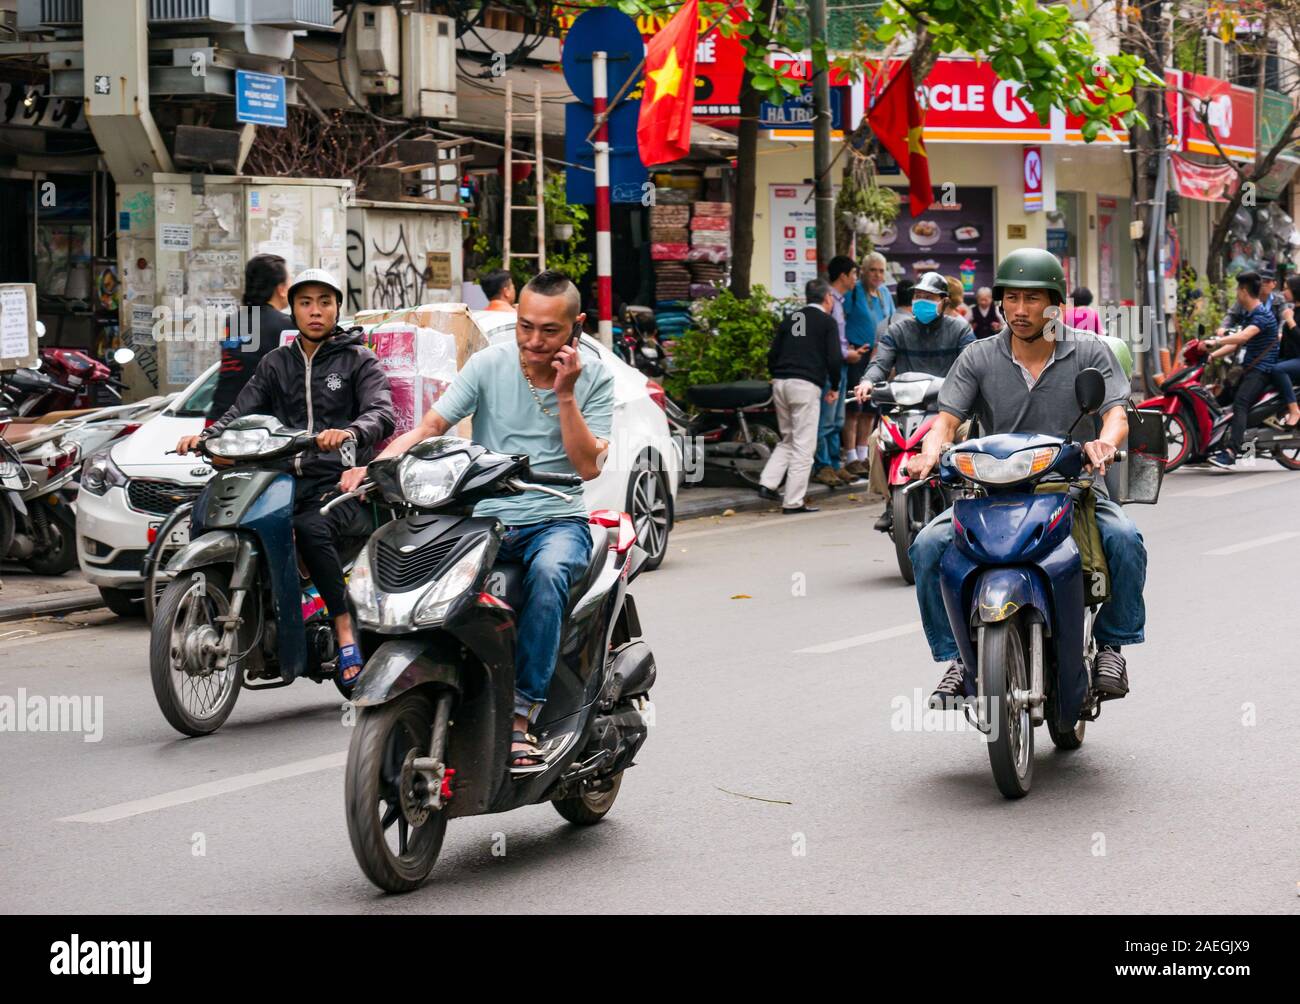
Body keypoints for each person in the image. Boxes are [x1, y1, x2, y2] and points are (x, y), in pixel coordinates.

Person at [341, 270, 614, 773]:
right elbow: (431, 425)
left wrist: (566, 393)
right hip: (488, 519)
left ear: (576, 326)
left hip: (556, 519)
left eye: (549, 331)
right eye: (525, 326)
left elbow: (587, 465)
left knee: (549, 577)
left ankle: (521, 716)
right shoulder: (489, 363)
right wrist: (377, 466)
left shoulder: (594, 376)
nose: (533, 341)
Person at [906, 248, 1146, 708]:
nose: (1020, 310)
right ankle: (958, 657)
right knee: (927, 547)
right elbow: (946, 420)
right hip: (992, 491)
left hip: (1072, 489)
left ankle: (1112, 646)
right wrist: (930, 452)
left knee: (1124, 539)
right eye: (1011, 298)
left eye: (1032, 299)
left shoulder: (1090, 351)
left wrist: (1104, 443)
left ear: (1054, 303)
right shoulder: (978, 357)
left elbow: (1116, 414)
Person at [176, 269, 396, 688]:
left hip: (341, 480)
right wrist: (206, 437)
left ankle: (344, 625)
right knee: (213, 510)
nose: (316, 311)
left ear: (337, 308)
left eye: (325, 302)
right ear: (293, 309)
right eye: (306, 303)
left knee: (309, 527)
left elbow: (381, 412)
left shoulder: (357, 359)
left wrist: (350, 432)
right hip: (281, 478)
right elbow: (239, 412)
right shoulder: (276, 363)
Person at [854, 270, 976, 531]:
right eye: (919, 296)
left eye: (929, 297)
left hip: (949, 411)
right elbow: (880, 362)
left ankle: (967, 495)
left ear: (944, 301)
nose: (923, 301)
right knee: (877, 440)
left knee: (971, 438)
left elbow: (971, 366)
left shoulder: (959, 329)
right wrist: (867, 382)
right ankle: (889, 500)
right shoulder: (897, 330)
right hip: (906, 410)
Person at [757, 279, 842, 514]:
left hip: (781, 383)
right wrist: (834, 385)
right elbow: (834, 358)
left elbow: (774, 353)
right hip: (805, 385)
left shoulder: (794, 318)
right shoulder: (827, 321)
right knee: (804, 444)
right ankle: (793, 501)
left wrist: (776, 375)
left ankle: (768, 483)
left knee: (789, 439)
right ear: (827, 298)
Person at [1205, 271, 1282, 468]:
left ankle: (1231, 451)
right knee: (1220, 399)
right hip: (1249, 368)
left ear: (1244, 291)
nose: (1237, 294)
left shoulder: (1262, 316)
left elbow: (1242, 338)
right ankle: (1210, 444)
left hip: (1262, 371)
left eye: (1238, 290)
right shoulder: (1251, 314)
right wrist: (1212, 355)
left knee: (1240, 403)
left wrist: (1214, 341)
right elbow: (1236, 343)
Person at [209, 254, 292, 419]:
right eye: (290, 282)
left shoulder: (232, 322)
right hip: (260, 425)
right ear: (281, 289)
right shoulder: (286, 326)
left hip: (219, 416)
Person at [841, 252, 893, 477]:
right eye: (873, 270)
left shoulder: (884, 293)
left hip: (877, 355)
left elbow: (890, 321)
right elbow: (840, 320)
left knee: (871, 408)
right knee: (854, 407)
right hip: (857, 354)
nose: (877, 275)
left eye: (881, 270)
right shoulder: (854, 292)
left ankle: (863, 456)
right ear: (864, 271)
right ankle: (850, 456)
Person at [812, 256, 860, 487]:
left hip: (839, 365)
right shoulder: (828, 301)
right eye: (854, 274)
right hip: (829, 367)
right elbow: (824, 339)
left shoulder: (839, 302)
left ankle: (834, 463)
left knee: (837, 420)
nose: (855, 279)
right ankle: (822, 466)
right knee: (826, 420)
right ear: (843, 275)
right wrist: (845, 353)